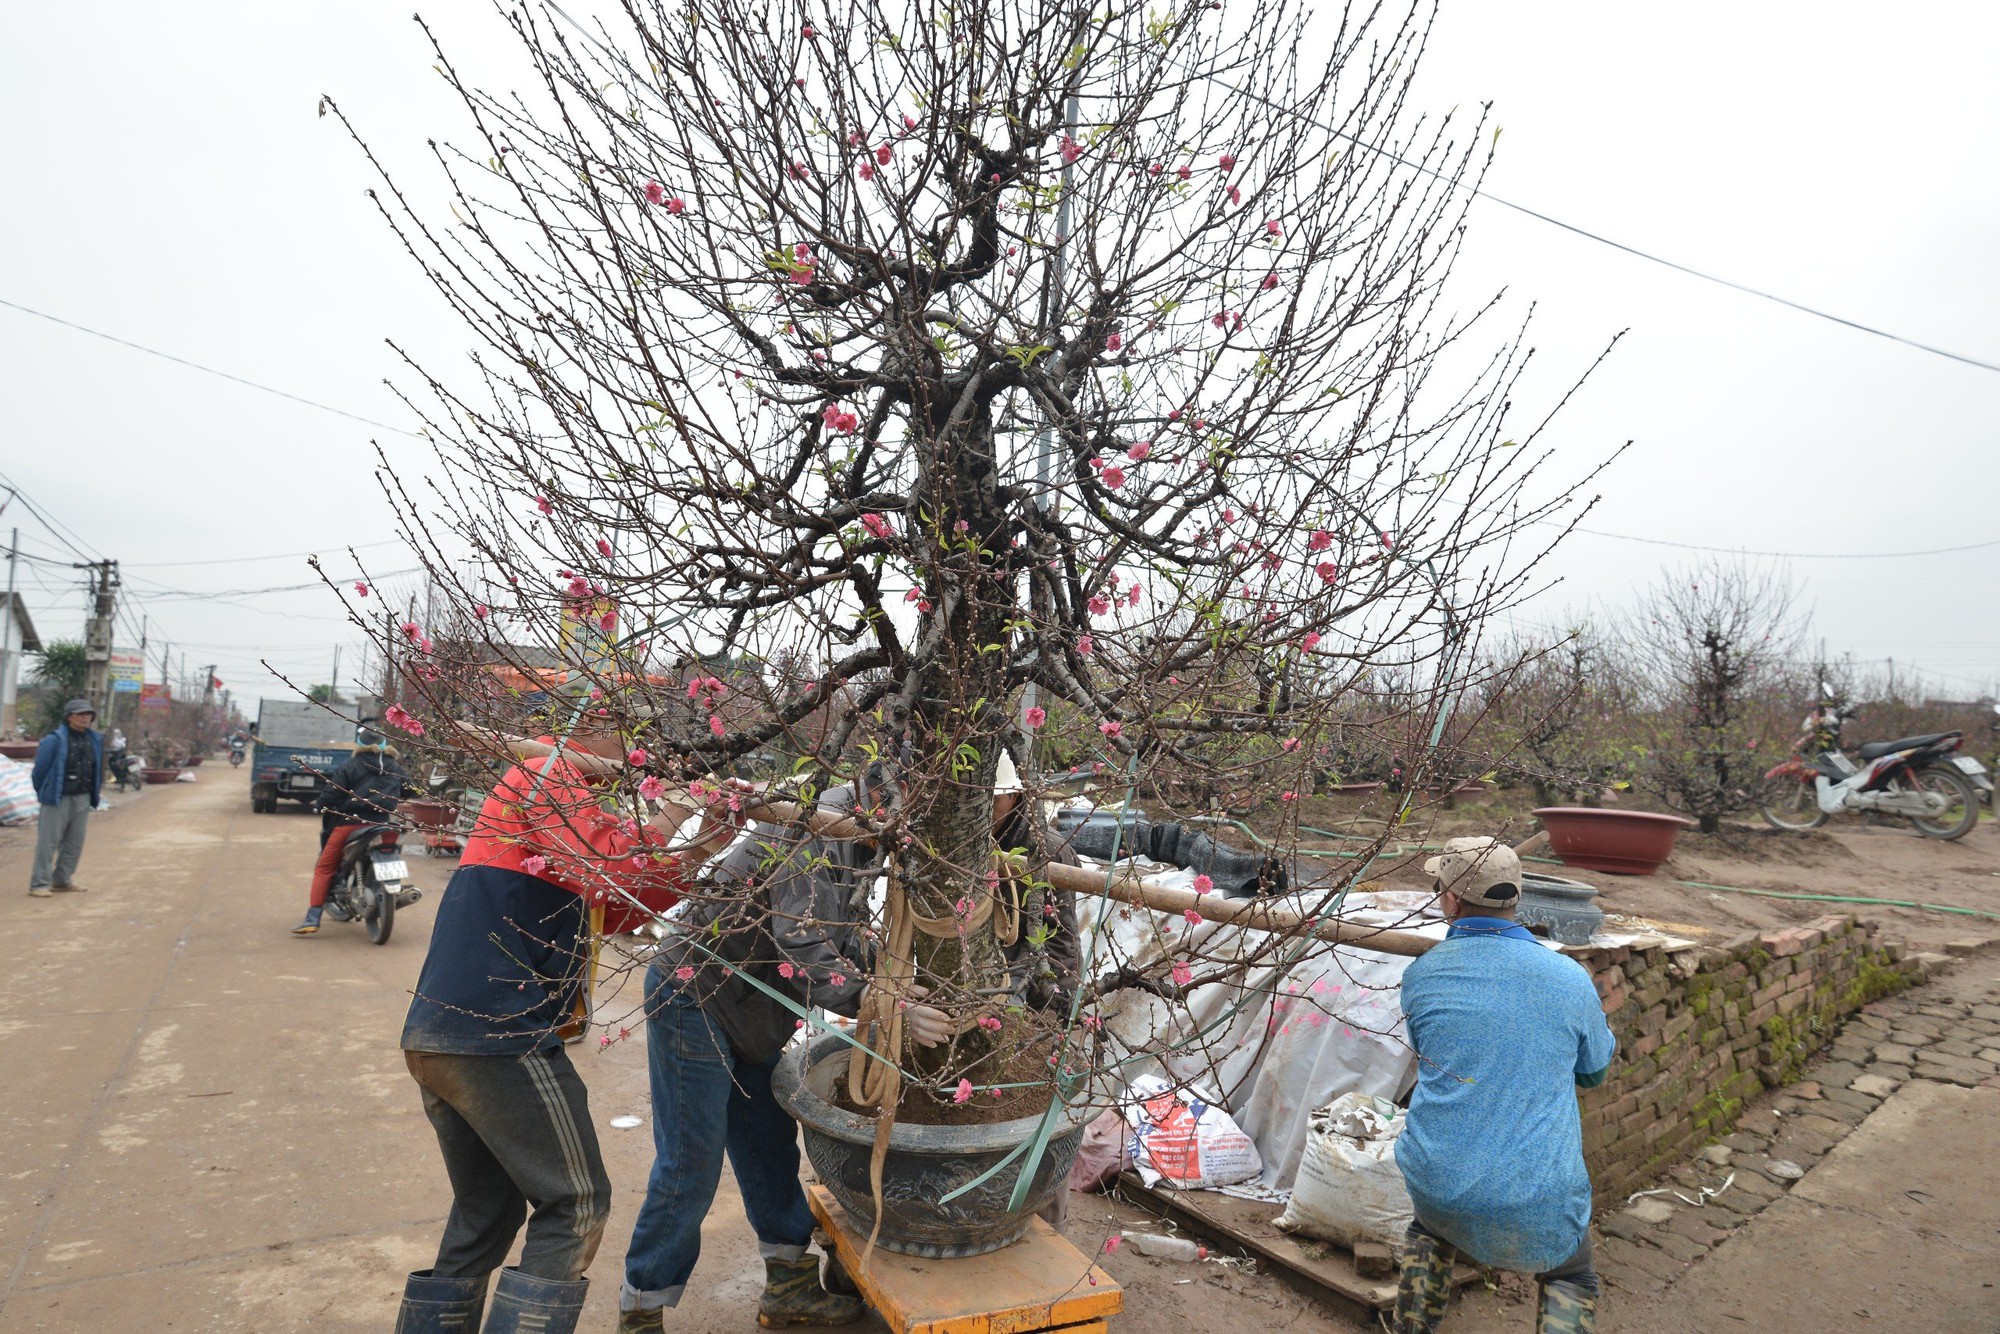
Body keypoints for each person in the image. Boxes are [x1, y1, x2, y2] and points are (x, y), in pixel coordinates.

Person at [617, 751, 1078, 1332]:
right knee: (693, 1157)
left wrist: (898, 982)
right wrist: (885, 1006)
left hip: (757, 1002)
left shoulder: (869, 839)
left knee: (767, 1142)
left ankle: (787, 1285)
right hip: (698, 988)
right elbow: (802, 939)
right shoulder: (822, 824)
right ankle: (641, 1306)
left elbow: (841, 933)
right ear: (903, 795)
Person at [392, 720, 740, 1334]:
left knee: (488, 1209)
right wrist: (675, 812)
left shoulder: (555, 813)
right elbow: (613, 870)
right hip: (498, 1033)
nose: (640, 756)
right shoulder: (545, 775)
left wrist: (703, 846)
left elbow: (620, 905)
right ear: (590, 735)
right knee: (575, 1202)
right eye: (629, 738)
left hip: (446, 1035)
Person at [1391, 837, 1617, 1334]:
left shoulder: (1422, 975)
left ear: (1449, 900)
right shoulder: (1568, 977)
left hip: (1439, 1180)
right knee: (1572, 1274)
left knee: (1429, 1232)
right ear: (1516, 897)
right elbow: (1594, 1072)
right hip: (1536, 1190)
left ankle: (1412, 1325)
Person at [292, 719, 412, 935]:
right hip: (383, 824)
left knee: (324, 867)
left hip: (350, 824)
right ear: (384, 744)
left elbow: (332, 794)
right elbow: (412, 791)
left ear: (359, 744)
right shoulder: (396, 767)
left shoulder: (350, 766)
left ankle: (312, 917)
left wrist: (320, 805)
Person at [28, 699, 103, 899]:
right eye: (80, 714)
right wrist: (45, 792)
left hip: (83, 797)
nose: (85, 718)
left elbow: (97, 767)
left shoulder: (95, 739)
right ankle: (40, 883)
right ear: (69, 717)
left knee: (74, 842)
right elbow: (39, 772)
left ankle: (62, 880)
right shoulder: (54, 740)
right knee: (48, 842)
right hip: (57, 798)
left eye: (88, 714)